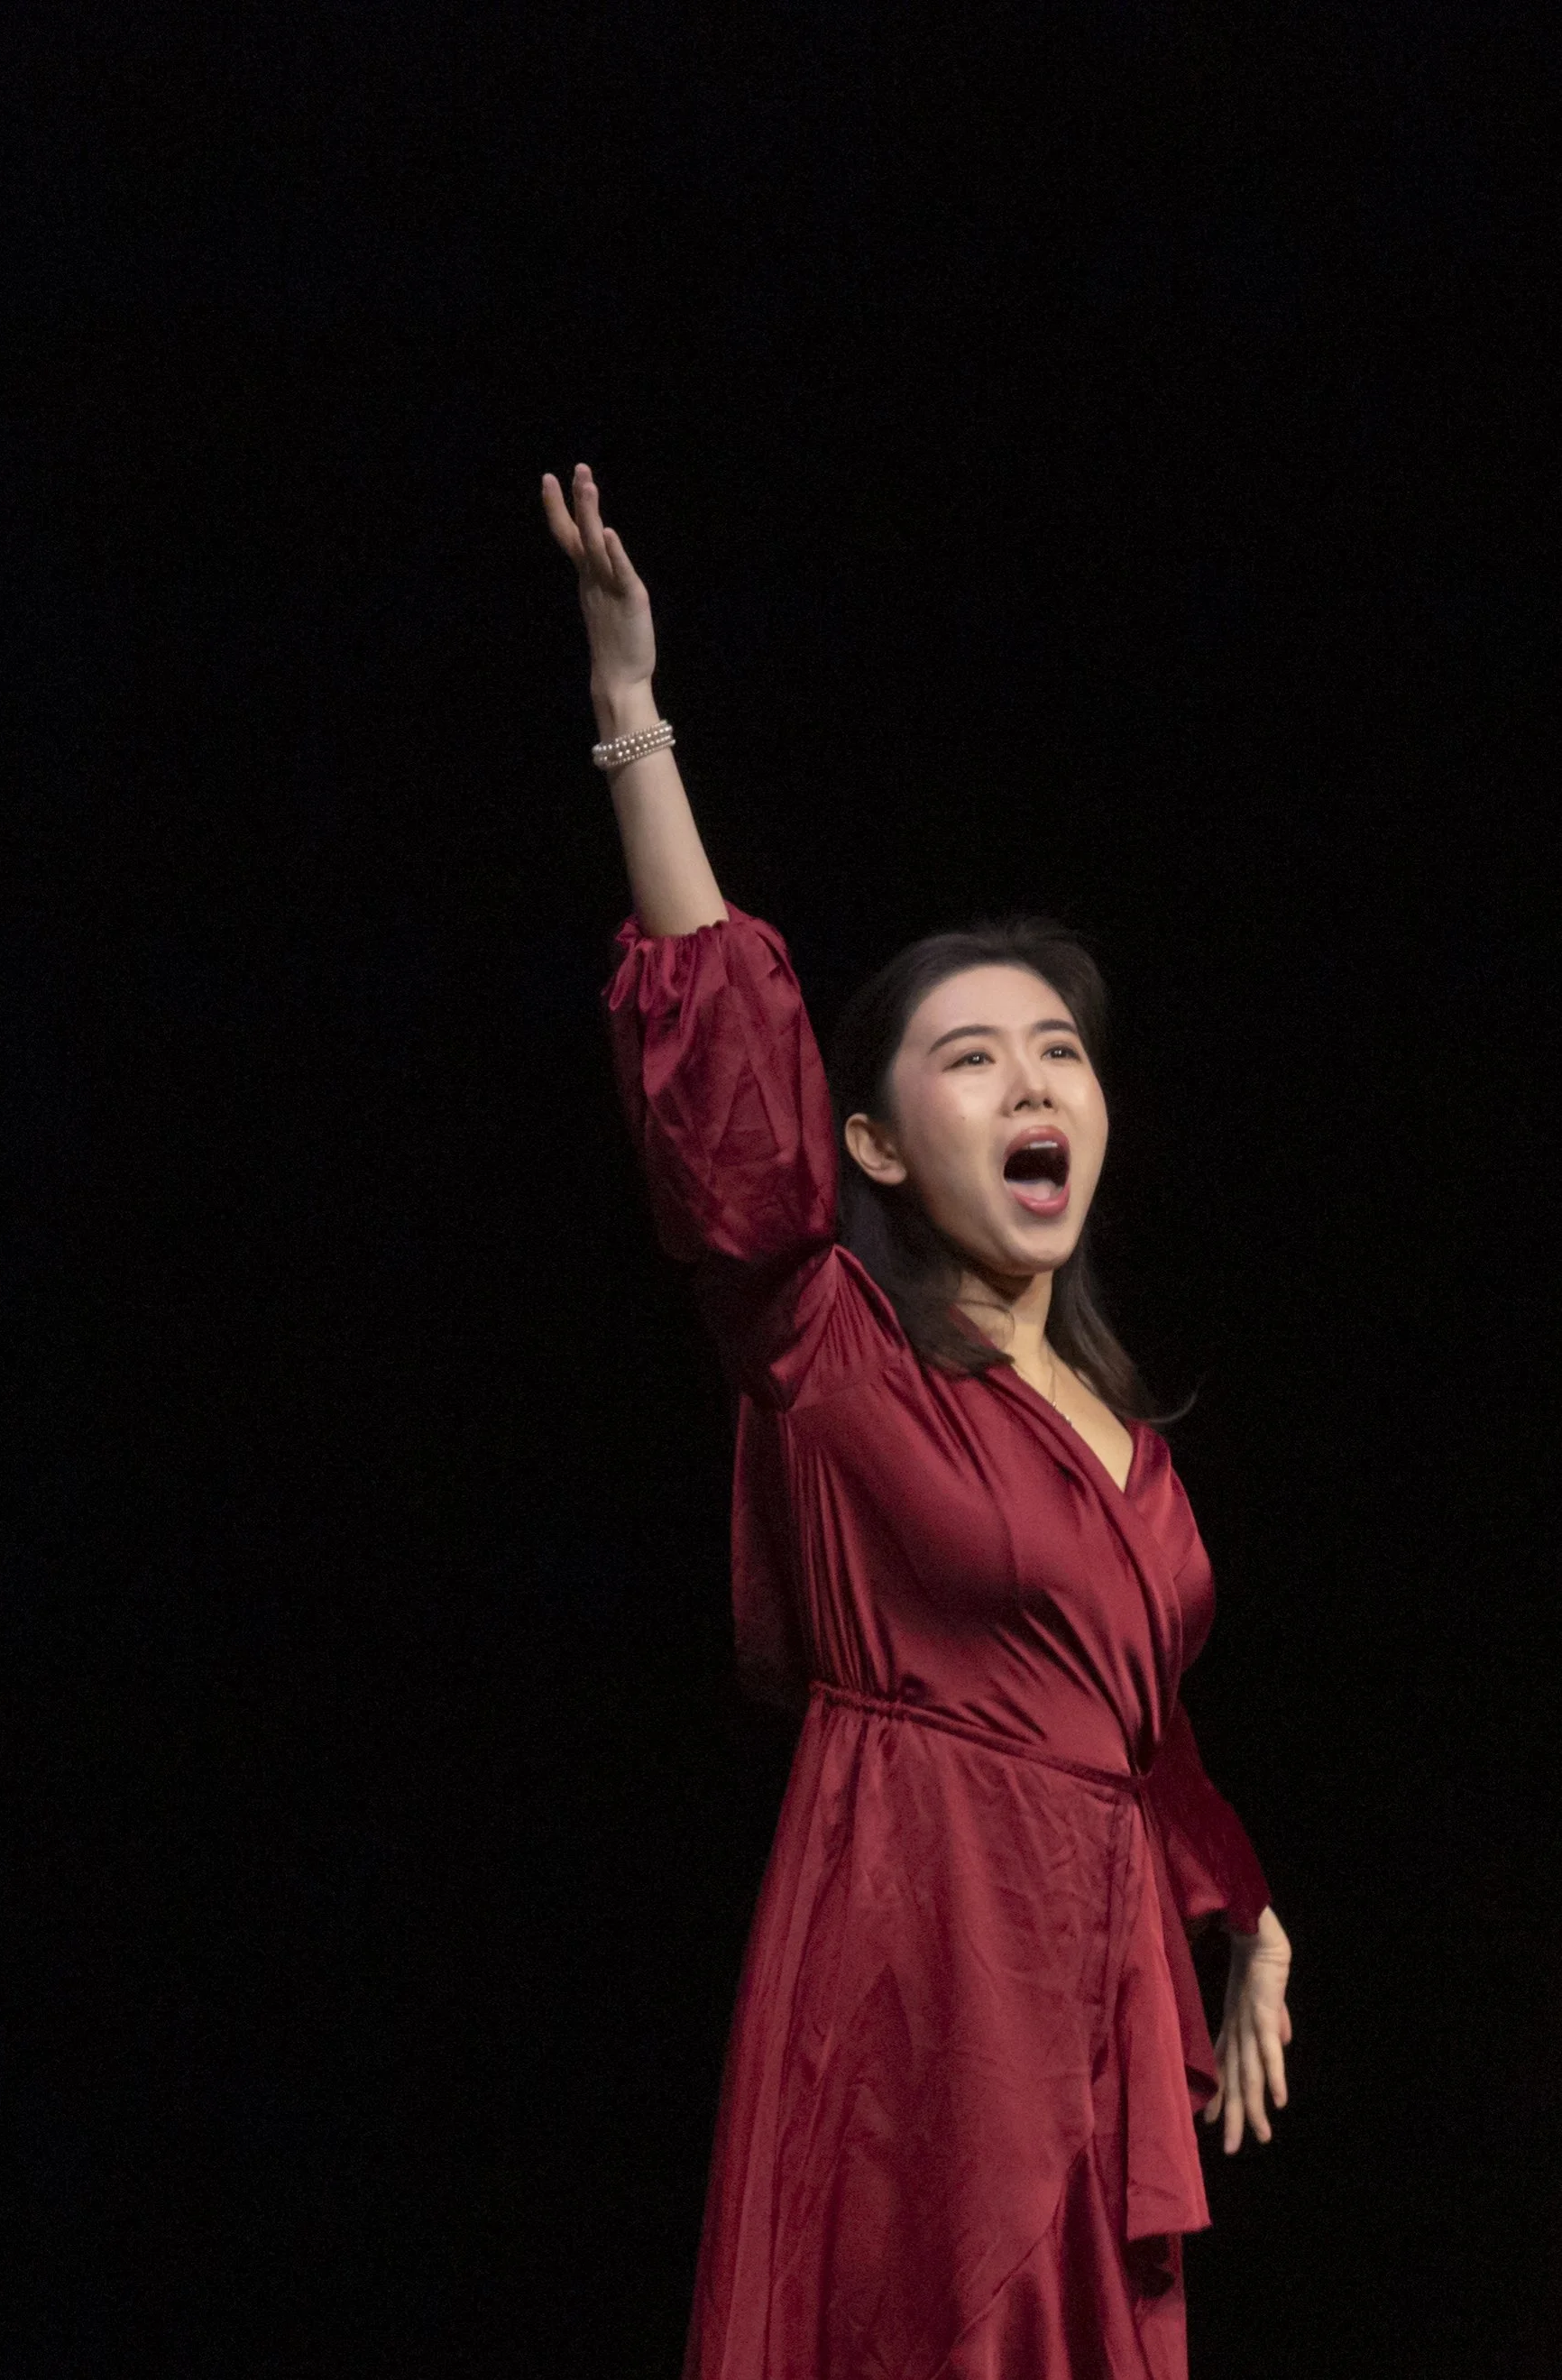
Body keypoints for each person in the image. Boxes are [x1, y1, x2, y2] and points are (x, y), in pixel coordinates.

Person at [541, 462, 1293, 2380]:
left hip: (1091, 1979)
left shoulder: (1127, 1424)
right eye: (972, 1055)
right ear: (879, 1135)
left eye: (1060, 1049)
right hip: (915, 1964)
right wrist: (636, 717)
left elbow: (1141, 1723)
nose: (1035, 1077)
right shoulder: (839, 1356)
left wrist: (1241, 1901)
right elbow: (732, 1115)